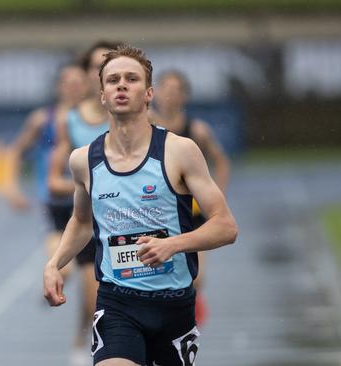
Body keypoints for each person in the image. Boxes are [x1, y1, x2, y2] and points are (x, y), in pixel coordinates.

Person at [43, 45, 238, 366]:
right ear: (102, 94)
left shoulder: (180, 151)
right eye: (113, 80)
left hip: (173, 304)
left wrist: (172, 245)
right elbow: (80, 221)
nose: (121, 85)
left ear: (149, 93)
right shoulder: (83, 160)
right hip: (117, 301)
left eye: (131, 79)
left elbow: (226, 227)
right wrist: (54, 264)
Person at [46, 41, 119, 365]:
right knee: (93, 300)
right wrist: (92, 183)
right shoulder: (71, 119)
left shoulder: (138, 115)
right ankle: (85, 339)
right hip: (90, 221)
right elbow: (54, 180)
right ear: (88, 73)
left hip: (130, 219)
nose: (102, 71)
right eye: (95, 66)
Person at [151, 70, 232, 326]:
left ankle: (191, 303)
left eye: (176, 91)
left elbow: (221, 162)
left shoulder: (197, 129)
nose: (170, 96)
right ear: (155, 93)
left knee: (197, 277)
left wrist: (215, 195)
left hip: (192, 212)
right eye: (166, 89)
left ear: (184, 96)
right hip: (158, 209)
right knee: (155, 268)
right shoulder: (147, 125)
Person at [5, 63, 88, 279]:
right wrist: (12, 189)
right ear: (60, 87)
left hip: (90, 199)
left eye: (79, 83)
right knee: (65, 269)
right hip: (55, 201)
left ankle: (89, 311)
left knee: (92, 273)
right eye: (69, 84)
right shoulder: (42, 119)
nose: (74, 88)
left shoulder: (95, 119)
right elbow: (15, 151)